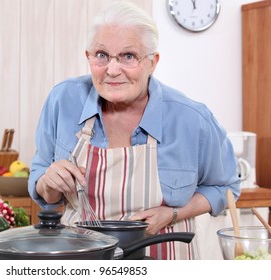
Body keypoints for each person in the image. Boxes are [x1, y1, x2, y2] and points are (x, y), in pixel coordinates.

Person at [28, 1, 240, 260]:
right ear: (88, 57)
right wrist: (48, 183)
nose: (112, 70)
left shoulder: (192, 119)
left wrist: (173, 214)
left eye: (128, 56)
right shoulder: (63, 101)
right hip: (83, 260)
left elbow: (225, 187)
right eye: (102, 55)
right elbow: (45, 188)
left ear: (152, 62)